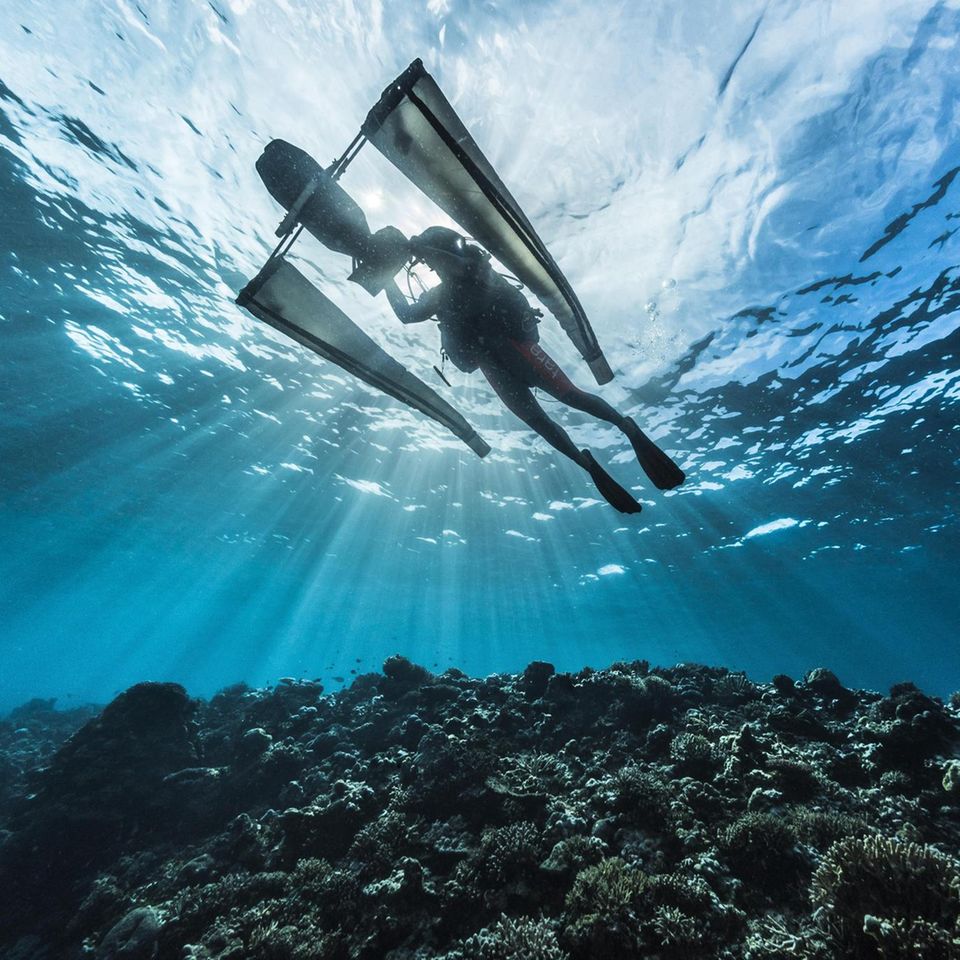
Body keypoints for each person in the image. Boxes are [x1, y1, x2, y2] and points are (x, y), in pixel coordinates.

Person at [383, 226, 684, 513]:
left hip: (517, 348)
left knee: (571, 397)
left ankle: (626, 426)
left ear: (443, 247)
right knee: (539, 423)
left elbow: (460, 266)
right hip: (492, 366)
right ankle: (586, 463)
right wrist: (384, 277)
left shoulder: (474, 264)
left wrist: (419, 247)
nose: (432, 266)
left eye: (433, 257)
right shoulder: (440, 294)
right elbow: (408, 315)